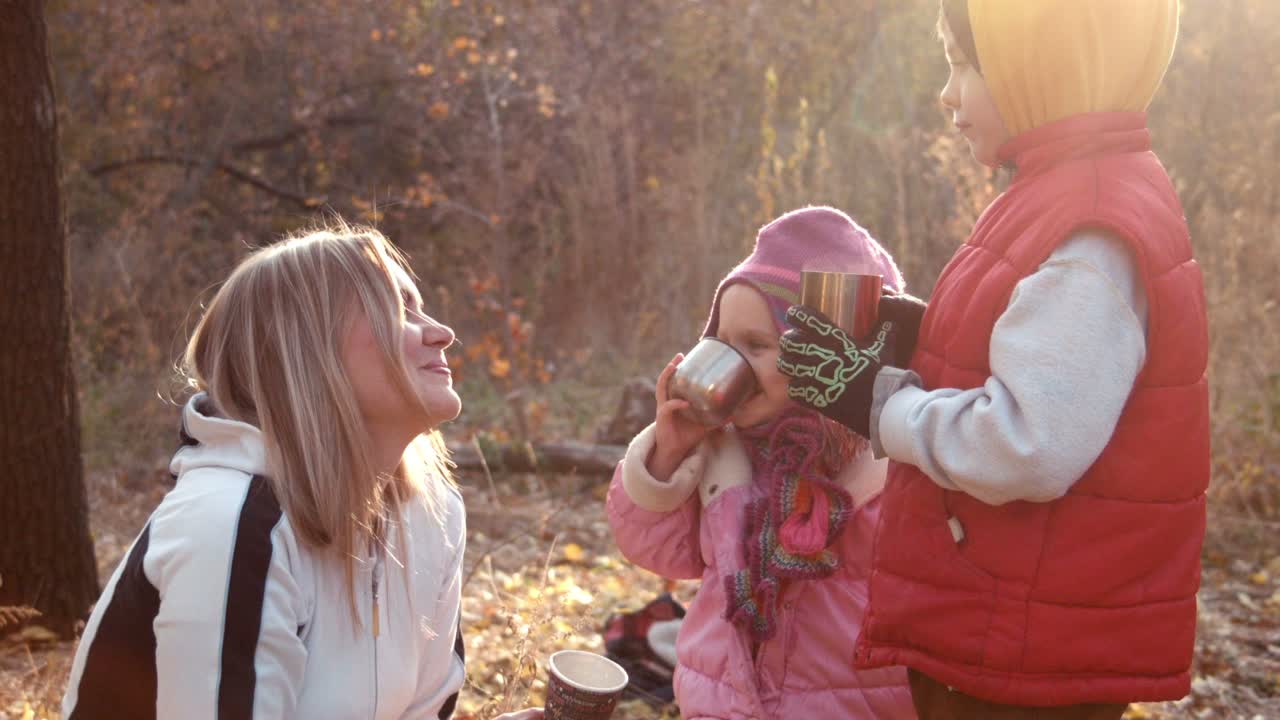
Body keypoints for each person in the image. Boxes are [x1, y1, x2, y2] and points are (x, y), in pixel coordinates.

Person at [776, 2, 1208, 718]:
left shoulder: (1092, 228)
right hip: (1008, 621)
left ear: (1041, 66)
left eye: (964, 63)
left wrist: (878, 403)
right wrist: (924, 337)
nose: (948, 92)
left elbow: (1027, 445)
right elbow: (1044, 364)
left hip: (1027, 652)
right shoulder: (1059, 190)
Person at [61, 223, 542, 720]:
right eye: (399, 311)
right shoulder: (228, 524)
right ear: (308, 349)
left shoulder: (433, 514)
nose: (443, 333)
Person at [607, 207, 917, 719]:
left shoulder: (888, 468)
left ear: (828, 353)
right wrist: (668, 452)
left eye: (757, 344)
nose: (735, 361)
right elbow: (655, 549)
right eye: (723, 342)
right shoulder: (723, 455)